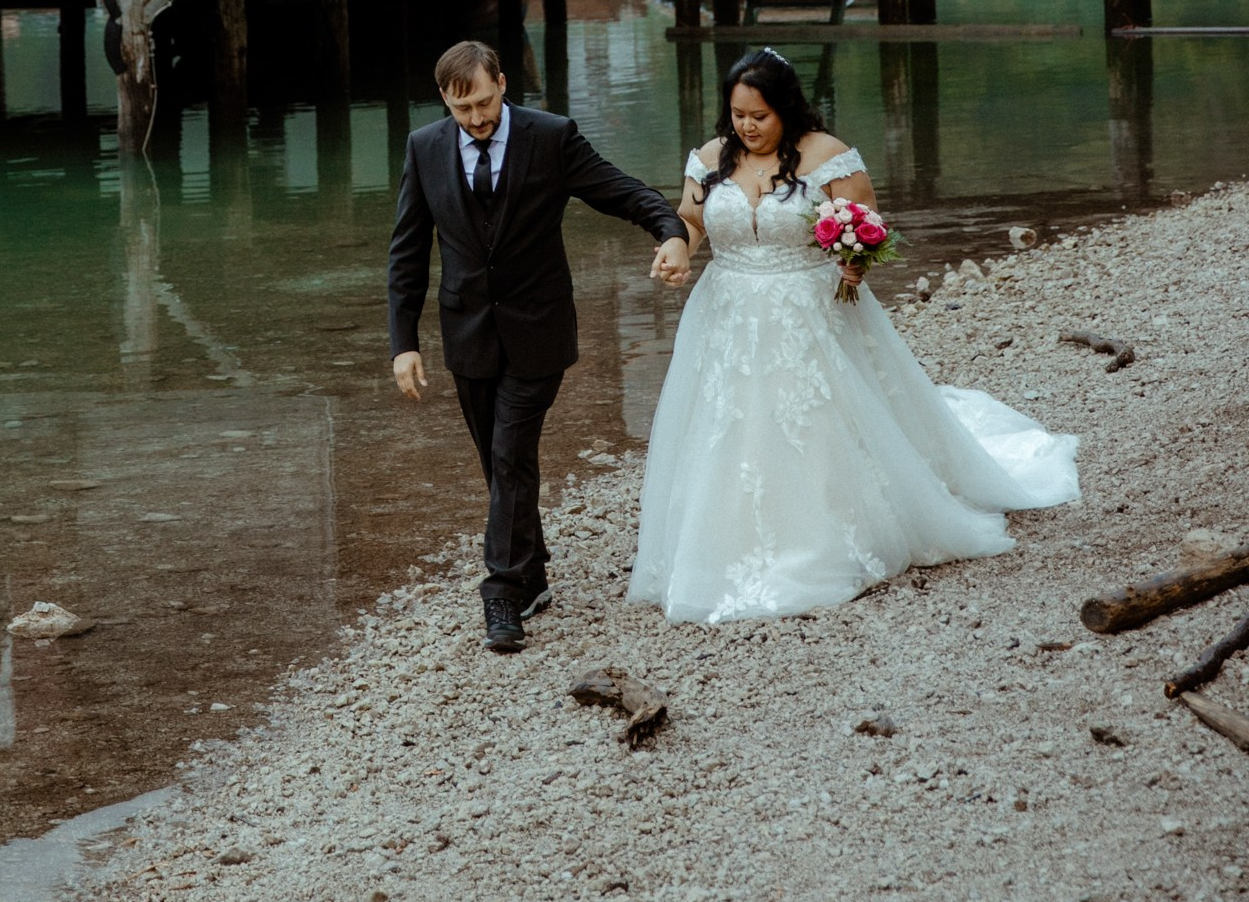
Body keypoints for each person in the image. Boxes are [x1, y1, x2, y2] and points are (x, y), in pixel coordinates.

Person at [630, 47, 1078, 625]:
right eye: (738, 114)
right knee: (727, 423)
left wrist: (854, 263)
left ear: (786, 110)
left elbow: (867, 230)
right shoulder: (712, 158)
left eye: (758, 116)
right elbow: (690, 223)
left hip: (809, 311)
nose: (746, 126)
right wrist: (675, 251)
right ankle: (719, 540)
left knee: (813, 422)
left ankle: (824, 539)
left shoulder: (830, 159)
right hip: (727, 311)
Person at [388, 37, 691, 653]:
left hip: (539, 328)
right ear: (444, 101)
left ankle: (502, 593)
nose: (475, 119)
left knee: (508, 452)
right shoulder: (424, 149)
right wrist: (403, 343)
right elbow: (408, 253)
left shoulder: (550, 137)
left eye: (482, 101)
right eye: (460, 108)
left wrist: (670, 230)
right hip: (466, 332)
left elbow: (618, 189)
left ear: (501, 81)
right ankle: (533, 570)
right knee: (500, 461)